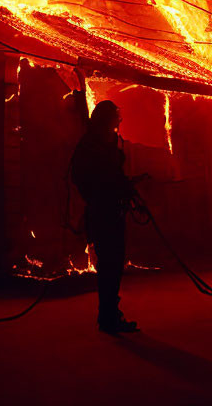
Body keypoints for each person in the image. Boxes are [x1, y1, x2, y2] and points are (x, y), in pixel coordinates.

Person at [71, 100, 139, 334]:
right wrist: (108, 191)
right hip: (103, 213)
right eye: (114, 120)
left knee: (112, 264)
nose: (116, 125)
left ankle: (109, 314)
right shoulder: (93, 147)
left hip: (109, 211)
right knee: (109, 265)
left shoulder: (101, 145)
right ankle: (108, 317)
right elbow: (89, 178)